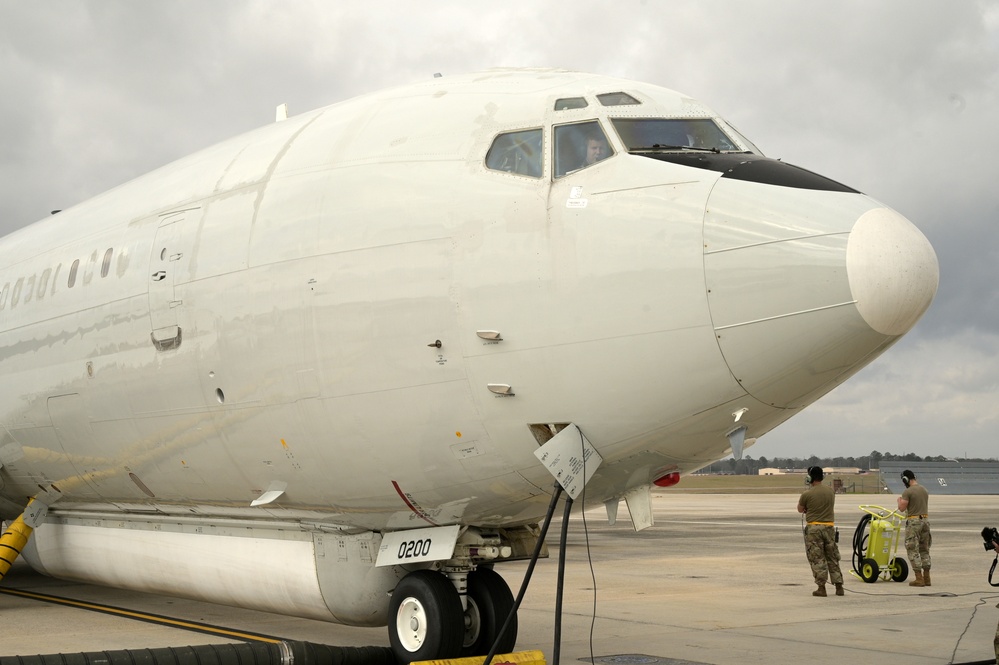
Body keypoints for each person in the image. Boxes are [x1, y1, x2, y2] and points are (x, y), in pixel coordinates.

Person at [797, 466, 844, 597]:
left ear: (810, 478)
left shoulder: (807, 494)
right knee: (832, 557)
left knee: (817, 558)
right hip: (829, 527)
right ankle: (839, 586)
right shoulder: (830, 491)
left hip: (814, 529)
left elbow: (800, 509)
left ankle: (821, 587)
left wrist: (808, 508)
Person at [897, 469, 932, 587]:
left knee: (912, 548)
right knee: (924, 548)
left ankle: (919, 578)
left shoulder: (908, 492)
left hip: (914, 521)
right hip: (925, 521)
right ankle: (927, 577)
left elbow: (902, 508)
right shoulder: (924, 490)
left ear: (905, 479)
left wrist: (899, 501)